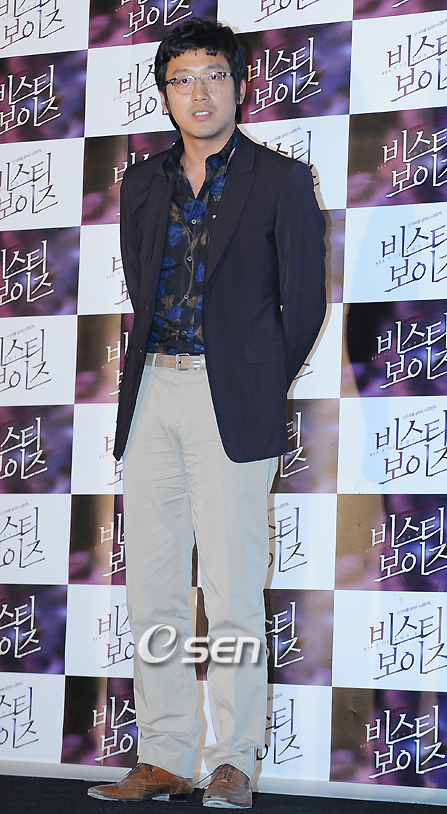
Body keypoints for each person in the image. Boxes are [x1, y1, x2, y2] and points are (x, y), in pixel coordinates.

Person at [88, 18, 326, 809]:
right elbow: (140, 284)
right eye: (182, 78)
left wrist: (256, 381)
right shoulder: (141, 183)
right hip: (151, 392)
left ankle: (233, 758)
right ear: (165, 93)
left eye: (214, 75)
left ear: (240, 85)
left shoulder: (281, 180)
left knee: (230, 592)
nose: (199, 92)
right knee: (153, 590)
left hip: (232, 400)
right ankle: (163, 755)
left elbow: (303, 305)